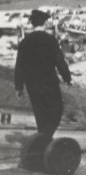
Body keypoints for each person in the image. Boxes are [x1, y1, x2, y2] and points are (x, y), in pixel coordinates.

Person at [14, 9, 71, 138]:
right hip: (49, 82)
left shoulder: (25, 42)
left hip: (32, 84)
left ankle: (43, 140)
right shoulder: (50, 40)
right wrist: (67, 78)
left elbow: (19, 66)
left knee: (40, 115)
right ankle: (45, 139)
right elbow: (60, 62)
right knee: (56, 111)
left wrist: (19, 86)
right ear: (45, 23)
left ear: (32, 24)